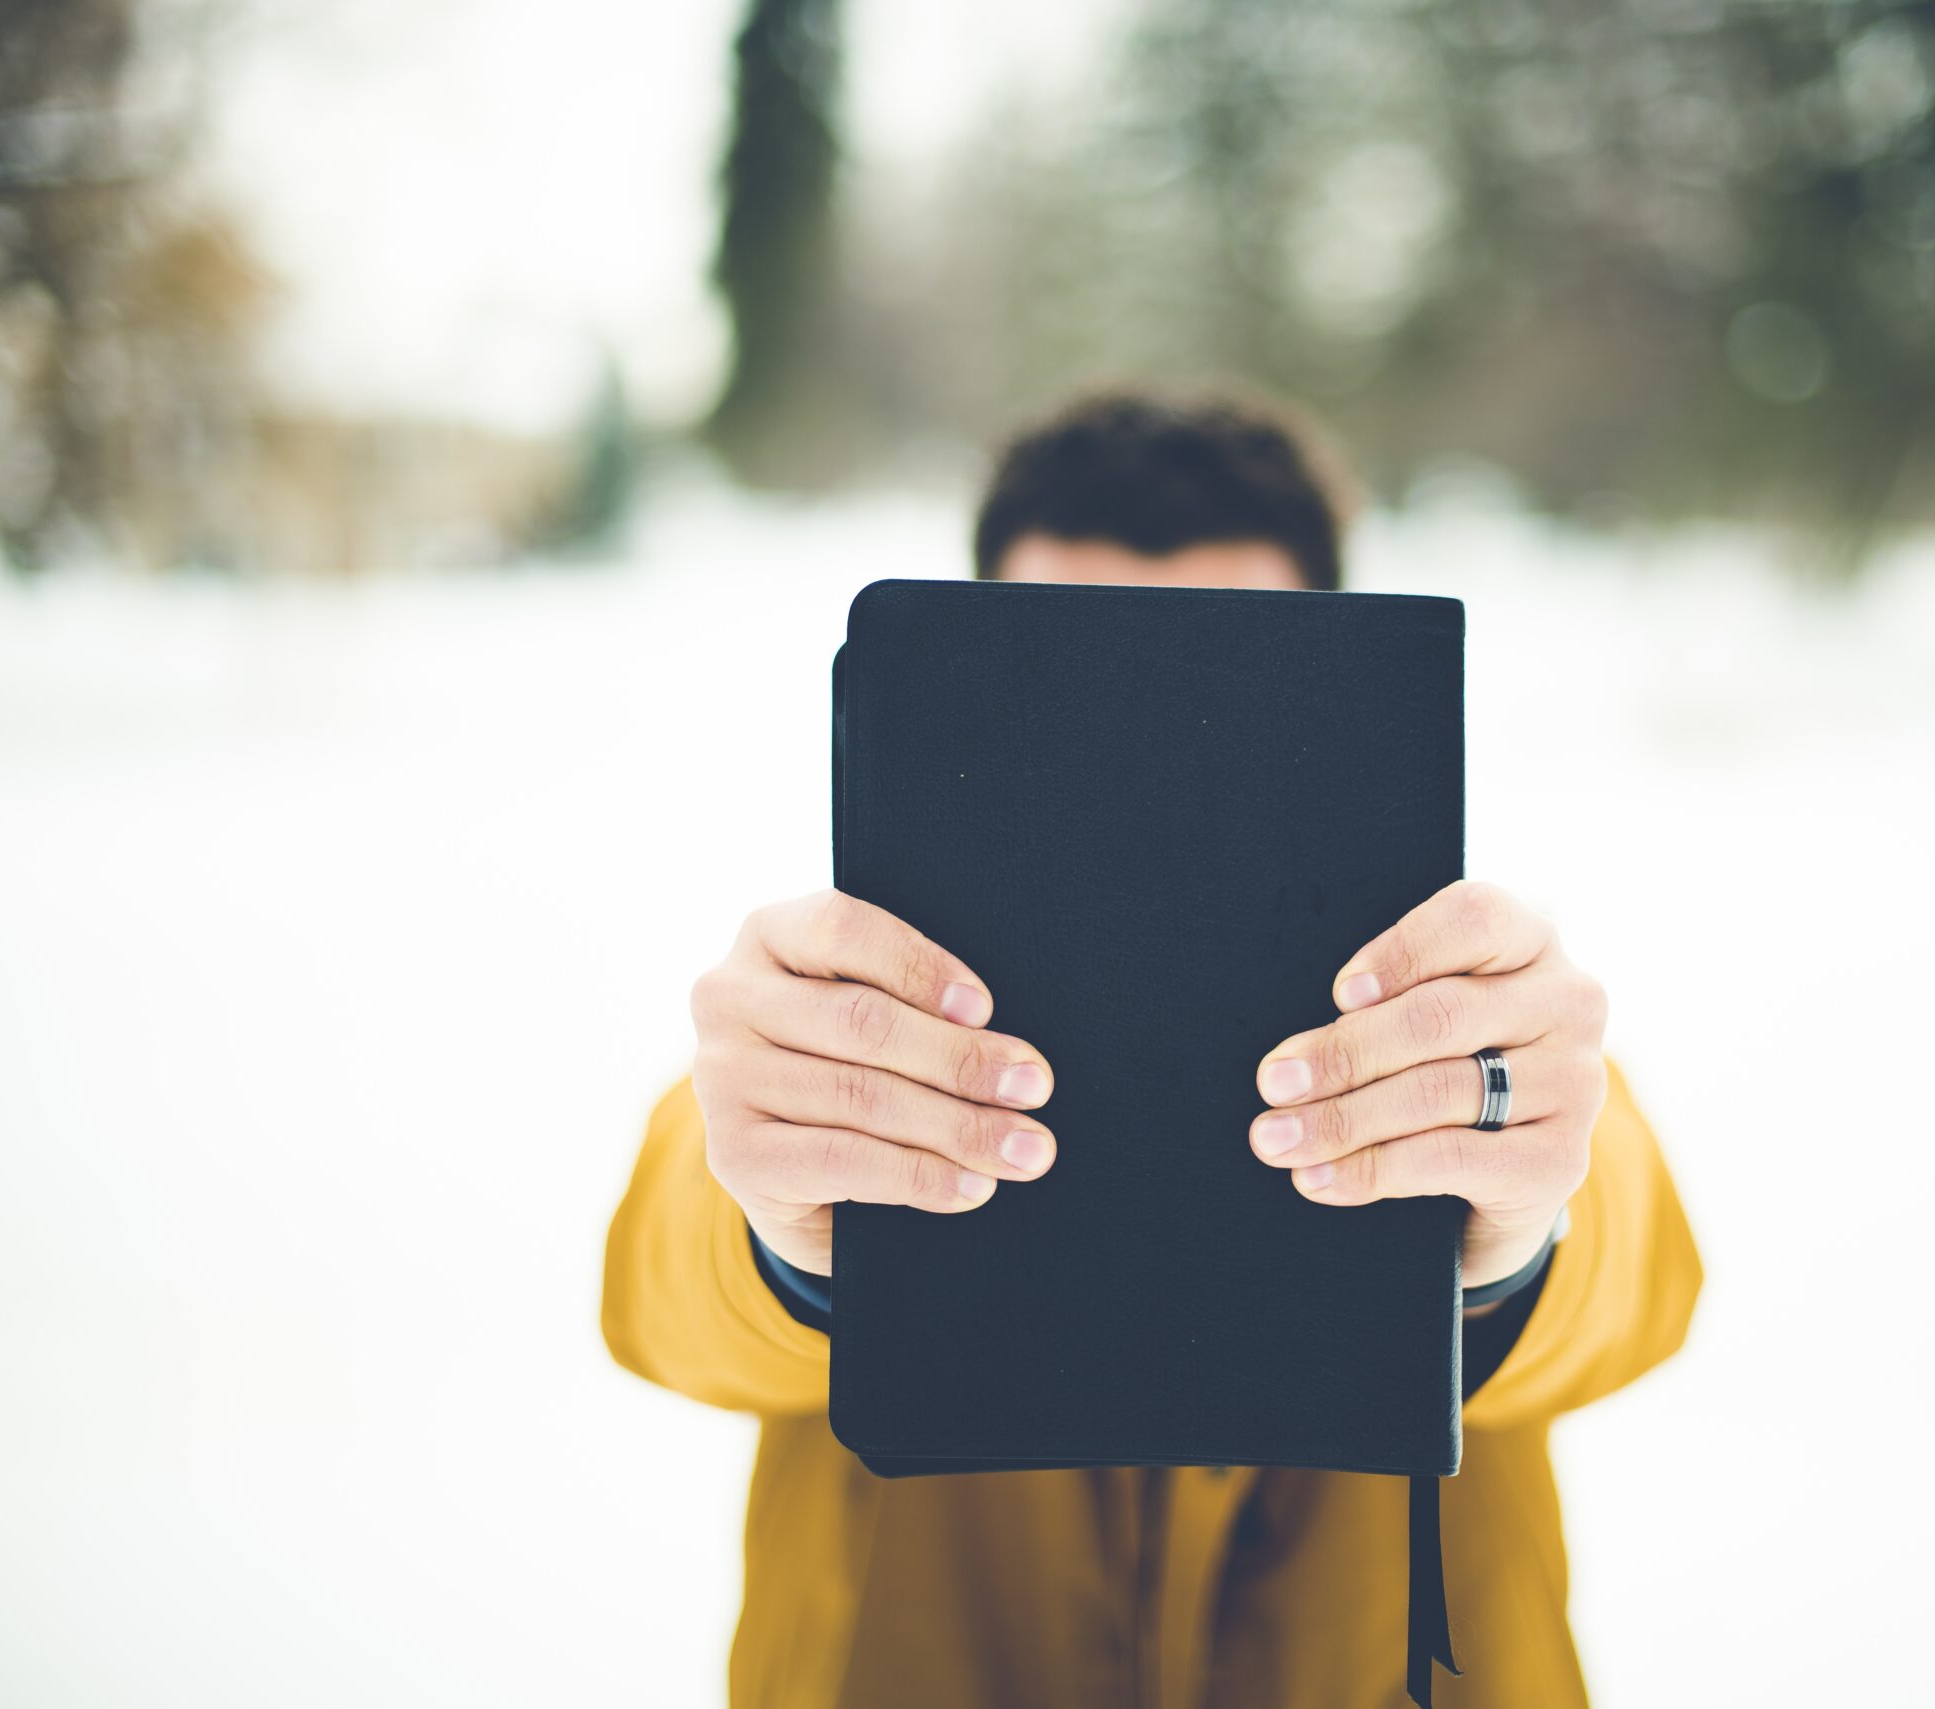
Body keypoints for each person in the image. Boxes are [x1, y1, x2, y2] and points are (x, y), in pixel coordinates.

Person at [602, 387, 1703, 1708]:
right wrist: (790, 1237)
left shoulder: (1467, 1040)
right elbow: (665, 1300)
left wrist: (1508, 1247)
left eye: (1225, 683)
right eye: (1066, 674)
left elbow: (1635, 1282)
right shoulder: (842, 1034)